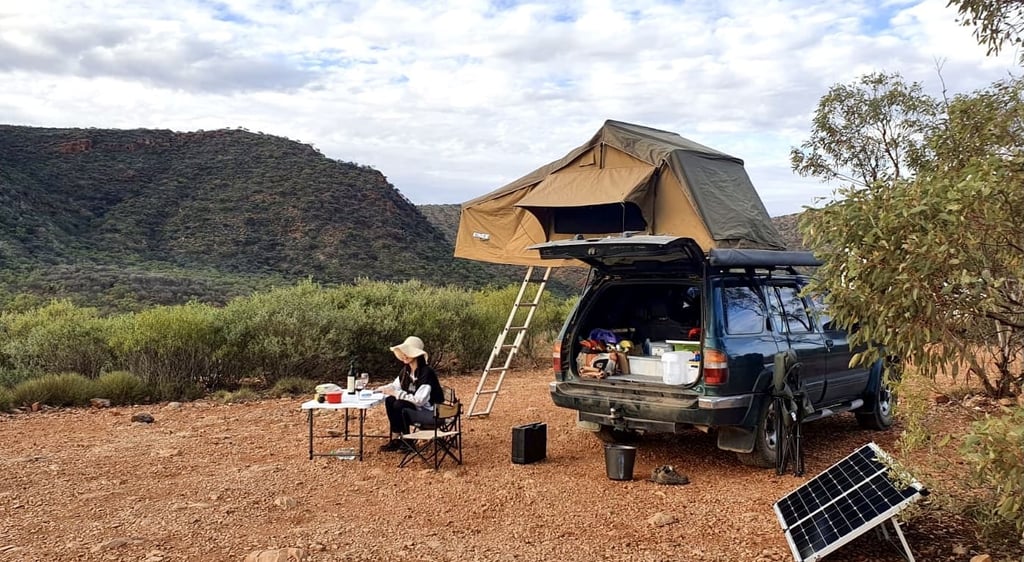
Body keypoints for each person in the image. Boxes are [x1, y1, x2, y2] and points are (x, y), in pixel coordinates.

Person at [376, 336, 444, 452]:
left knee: (399, 404)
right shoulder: (406, 370)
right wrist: (383, 388)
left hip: (430, 412)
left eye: (408, 352)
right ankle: (397, 438)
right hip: (417, 408)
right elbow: (395, 385)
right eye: (404, 353)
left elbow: (420, 400)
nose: (404, 355)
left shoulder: (426, 373)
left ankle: (408, 442)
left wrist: (396, 393)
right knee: (390, 401)